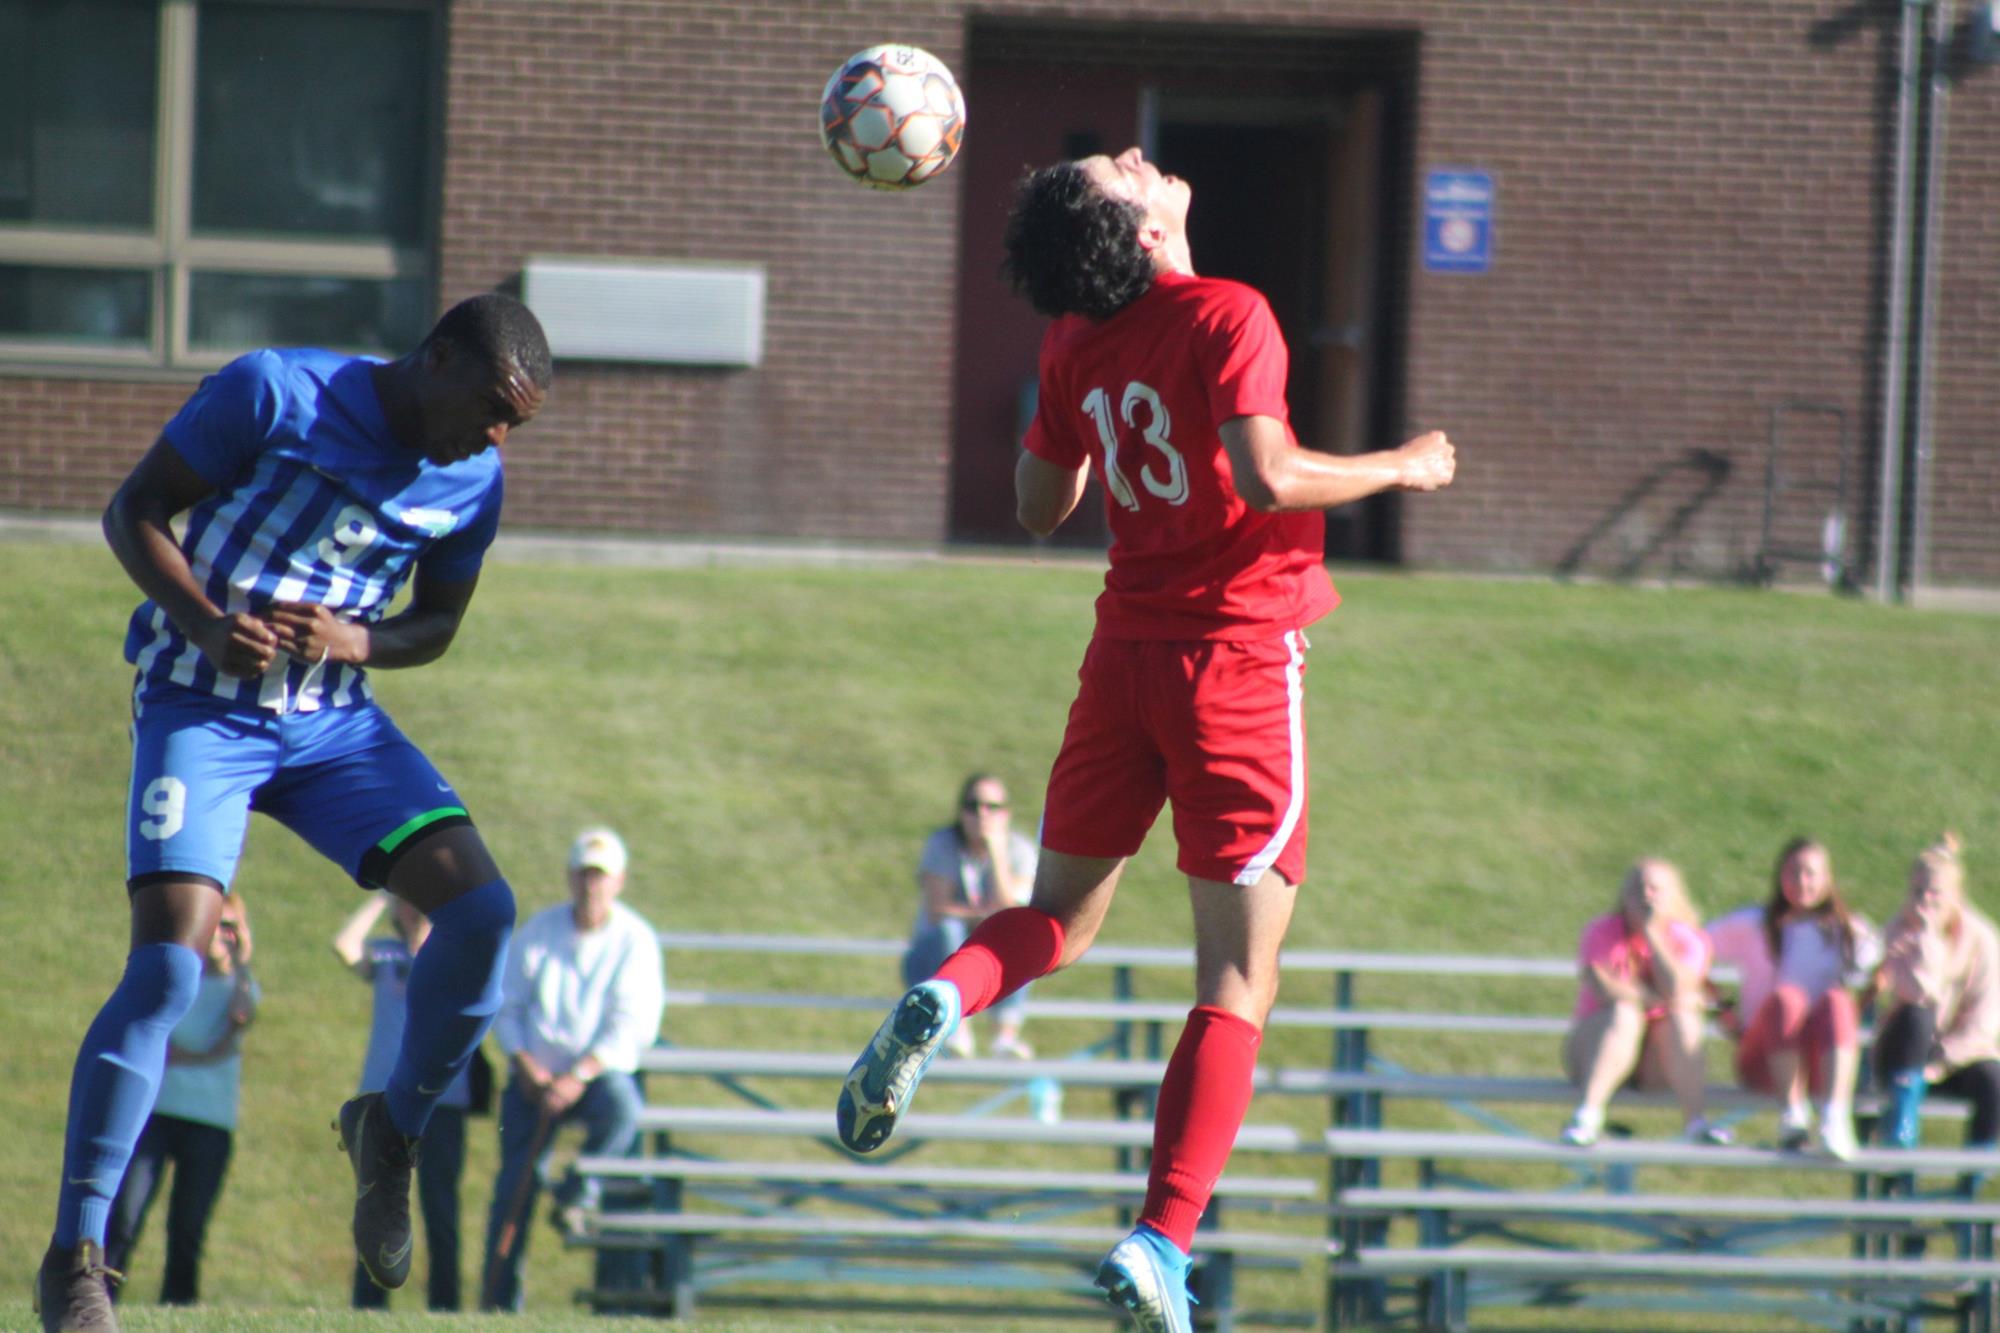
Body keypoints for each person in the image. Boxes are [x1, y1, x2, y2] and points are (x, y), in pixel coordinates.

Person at [834, 145, 1456, 1332]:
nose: (1135, 155)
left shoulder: (1075, 337)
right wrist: (1402, 466)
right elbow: (1265, 476)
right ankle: (1162, 1237)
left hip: (1120, 661)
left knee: (1057, 922)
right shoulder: (1232, 312)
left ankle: (943, 996)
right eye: (1114, 168)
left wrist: (1074, 417)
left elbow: (1033, 508)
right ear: (1133, 228)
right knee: (1236, 977)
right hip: (1232, 665)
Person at [36, 292, 550, 1333]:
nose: (494, 439)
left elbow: (436, 622)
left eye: (514, 425)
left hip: (331, 733)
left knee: (483, 914)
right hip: (200, 707)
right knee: (171, 967)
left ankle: (389, 1132)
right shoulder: (276, 391)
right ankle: (76, 1260)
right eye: (491, 408)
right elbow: (133, 511)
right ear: (437, 357)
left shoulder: (472, 482)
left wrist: (364, 643)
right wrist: (207, 622)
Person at [480, 828, 666, 1313]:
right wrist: (525, 1064)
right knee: (512, 1190)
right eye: (584, 874)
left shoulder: (635, 940)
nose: (591, 886)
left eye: (600, 876)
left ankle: (579, 1188)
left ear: (619, 881)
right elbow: (507, 1007)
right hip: (533, 1078)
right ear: (570, 877)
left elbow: (633, 1026)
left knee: (625, 1108)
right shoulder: (537, 933)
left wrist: (577, 1075)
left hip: (596, 1078)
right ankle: (498, 1306)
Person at [103, 893, 258, 1307]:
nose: (223, 936)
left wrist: (241, 962)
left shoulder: (241, 987)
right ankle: (101, 1301)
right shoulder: (178, 982)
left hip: (211, 1122)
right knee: (125, 1218)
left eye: (232, 927)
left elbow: (242, 1018)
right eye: (217, 925)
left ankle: (179, 1308)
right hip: (156, 1114)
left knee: (188, 1228)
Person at [333, 891, 481, 1311]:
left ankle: (445, 1308)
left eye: (418, 899)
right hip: (386, 1100)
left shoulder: (456, 958)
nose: (413, 908)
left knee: (440, 1208)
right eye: (407, 900)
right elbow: (344, 946)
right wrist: (383, 896)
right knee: (377, 1206)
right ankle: (368, 1306)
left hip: (443, 1101)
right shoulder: (384, 955)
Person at [1706, 838, 1879, 1158]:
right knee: (1788, 999)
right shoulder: (1753, 924)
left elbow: (1883, 973)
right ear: (1780, 877)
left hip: (1823, 1065)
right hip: (1764, 1064)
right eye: (1793, 872)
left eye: (1811, 873)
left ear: (1828, 879)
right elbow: (1690, 953)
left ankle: (1833, 1118)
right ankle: (1793, 1118)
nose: (1802, 882)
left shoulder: (1852, 931)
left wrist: (1864, 996)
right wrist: (1722, 1012)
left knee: (1837, 1001)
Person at [1558, 859, 1729, 1149]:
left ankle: (1696, 1122)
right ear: (1625, 896)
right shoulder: (1602, 931)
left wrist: (1652, 933)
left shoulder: (1690, 939)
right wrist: (1655, 999)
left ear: (1674, 896)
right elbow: (1604, 989)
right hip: (1594, 1052)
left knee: (1683, 1021)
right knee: (1625, 1014)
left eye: (1656, 889)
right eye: (1639, 888)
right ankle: (1586, 1116)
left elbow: (1677, 986)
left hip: (1656, 1062)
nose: (1647, 896)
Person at [1873, 833, 2000, 1151]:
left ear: (1956, 897)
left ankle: (1971, 1180)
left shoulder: (1982, 941)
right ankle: (1898, 1148)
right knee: (1917, 1015)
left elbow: (1985, 1022)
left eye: (1935, 894)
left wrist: (1940, 1063)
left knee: (1995, 1081)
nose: (1924, 901)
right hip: (1899, 1055)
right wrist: (1920, 950)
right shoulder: (1895, 933)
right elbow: (1905, 999)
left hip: (1956, 1056)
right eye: (1917, 892)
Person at [906, 773, 1038, 1058]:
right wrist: (986, 916)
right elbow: (937, 910)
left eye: (992, 807)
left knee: (1023, 937)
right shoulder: (943, 845)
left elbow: (1012, 912)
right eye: (973, 806)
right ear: (961, 812)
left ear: (1007, 814)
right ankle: (955, 1026)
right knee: (950, 929)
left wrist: (997, 852)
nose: (982, 814)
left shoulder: (1020, 851)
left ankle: (1005, 1034)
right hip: (929, 963)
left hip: (990, 960)